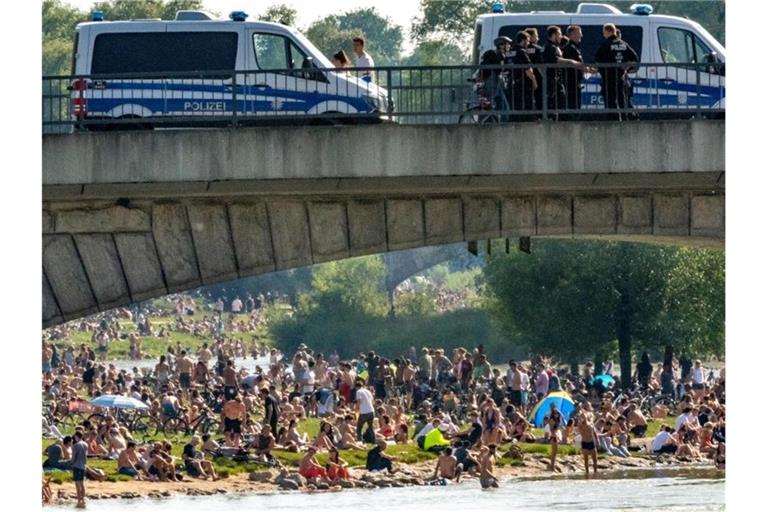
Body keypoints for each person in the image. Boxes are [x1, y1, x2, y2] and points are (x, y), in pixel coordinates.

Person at [594, 23, 638, 119]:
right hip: (621, 77)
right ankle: (624, 119)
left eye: (604, 32)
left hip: (608, 77)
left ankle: (613, 121)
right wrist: (626, 67)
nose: (603, 34)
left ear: (608, 31)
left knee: (611, 101)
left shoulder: (605, 45)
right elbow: (635, 59)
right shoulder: (623, 44)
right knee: (622, 100)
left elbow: (597, 60)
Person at [509, 31, 537, 116]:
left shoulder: (510, 51)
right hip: (523, 84)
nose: (528, 43)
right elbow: (528, 69)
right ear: (523, 40)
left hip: (512, 82)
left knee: (515, 108)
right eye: (528, 41)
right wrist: (534, 81)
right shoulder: (522, 52)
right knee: (527, 107)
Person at [562, 25, 585, 113]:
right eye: (579, 33)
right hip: (571, 82)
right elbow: (572, 64)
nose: (581, 35)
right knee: (573, 106)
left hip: (576, 81)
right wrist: (584, 68)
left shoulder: (575, 47)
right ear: (572, 34)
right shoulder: (570, 48)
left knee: (576, 106)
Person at [524, 28, 544, 111]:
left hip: (524, 78)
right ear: (531, 37)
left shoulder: (521, 49)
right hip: (537, 77)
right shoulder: (538, 49)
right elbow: (542, 64)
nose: (538, 38)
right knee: (539, 98)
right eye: (536, 36)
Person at [71, 430, 88, 508]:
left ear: (76, 436)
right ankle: (83, 499)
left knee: (77, 484)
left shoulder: (76, 445)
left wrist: (71, 463)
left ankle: (78, 500)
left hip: (77, 466)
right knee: (82, 483)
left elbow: (74, 457)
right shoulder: (85, 444)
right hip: (83, 466)